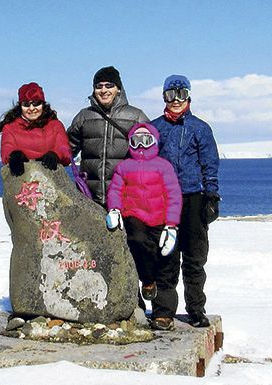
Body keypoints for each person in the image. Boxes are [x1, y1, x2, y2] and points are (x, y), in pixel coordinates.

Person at [151, 74, 220, 328]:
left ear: (189, 96)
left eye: (181, 94)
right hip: (163, 200)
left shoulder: (200, 128)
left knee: (194, 258)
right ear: (164, 98)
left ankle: (196, 309)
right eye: (171, 95)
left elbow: (209, 163)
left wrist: (211, 195)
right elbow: (145, 160)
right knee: (166, 257)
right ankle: (163, 312)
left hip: (193, 197)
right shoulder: (155, 128)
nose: (176, 100)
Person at [104, 122, 183, 331]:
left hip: (161, 220)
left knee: (167, 262)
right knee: (136, 246)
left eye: (146, 140)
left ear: (154, 141)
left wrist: (172, 225)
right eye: (136, 140)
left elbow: (174, 195)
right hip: (135, 216)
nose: (141, 145)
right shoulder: (124, 167)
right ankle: (145, 283)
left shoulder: (163, 166)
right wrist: (114, 209)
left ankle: (163, 313)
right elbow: (115, 191)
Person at [67, 66, 150, 207]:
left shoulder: (136, 117)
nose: (103, 90)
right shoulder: (84, 116)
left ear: (118, 88)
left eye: (109, 85)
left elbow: (151, 155)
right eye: (98, 86)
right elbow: (66, 149)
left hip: (125, 197)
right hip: (89, 197)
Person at [0, 82, 71, 175]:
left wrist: (56, 154)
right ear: (20, 106)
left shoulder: (55, 125)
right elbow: (6, 150)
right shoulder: (10, 128)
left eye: (36, 103)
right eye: (26, 104)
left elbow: (64, 149)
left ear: (43, 104)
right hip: (23, 180)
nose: (31, 108)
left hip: (51, 179)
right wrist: (14, 155)